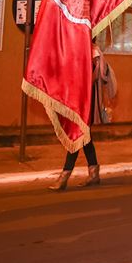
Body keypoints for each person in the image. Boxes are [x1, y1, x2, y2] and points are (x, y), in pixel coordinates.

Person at [48, 43, 116, 190]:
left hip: (86, 103)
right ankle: (93, 173)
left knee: (77, 136)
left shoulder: (93, 53)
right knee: (85, 138)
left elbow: (90, 79)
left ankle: (65, 175)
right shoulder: (77, 49)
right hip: (76, 101)